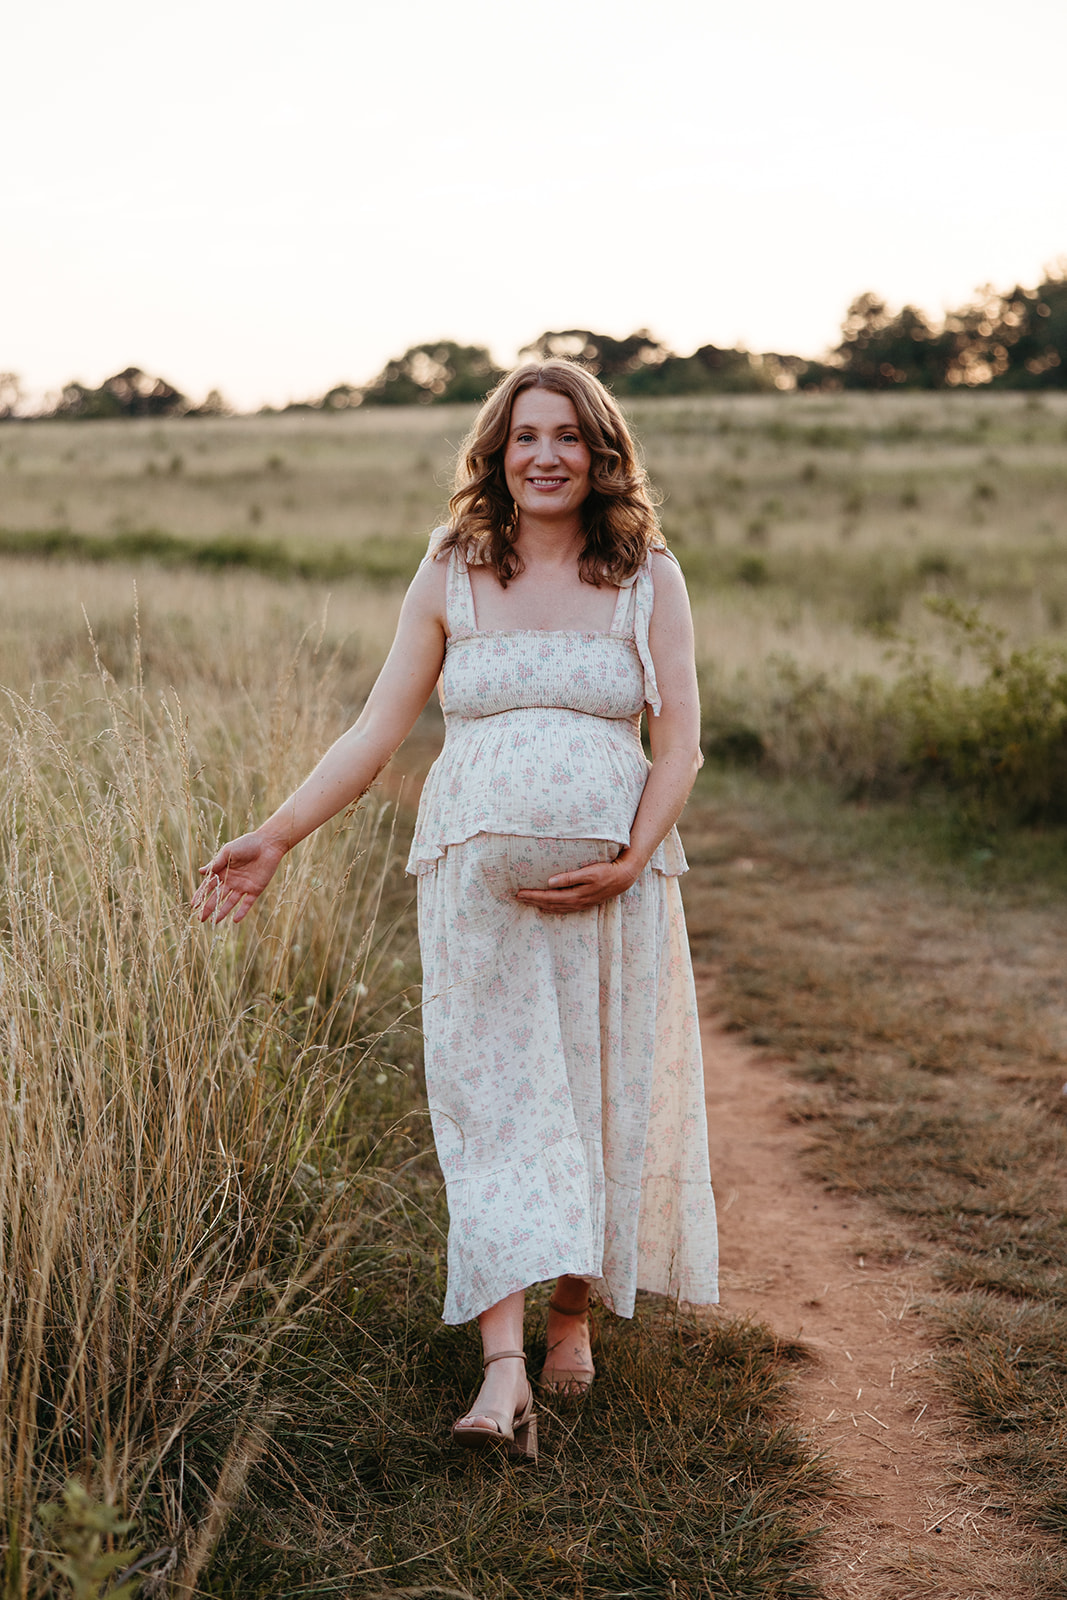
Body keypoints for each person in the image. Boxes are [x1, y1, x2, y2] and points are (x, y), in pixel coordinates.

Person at [195, 359, 718, 1461]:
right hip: (471, 897)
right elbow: (377, 727)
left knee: (590, 1094)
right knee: (493, 1103)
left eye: (566, 436)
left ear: (599, 453)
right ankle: (500, 1369)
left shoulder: (644, 573)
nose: (544, 455)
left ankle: (572, 1308)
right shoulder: (450, 568)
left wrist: (629, 859)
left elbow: (678, 741)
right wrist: (277, 834)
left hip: (607, 894)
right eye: (524, 435)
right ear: (494, 452)